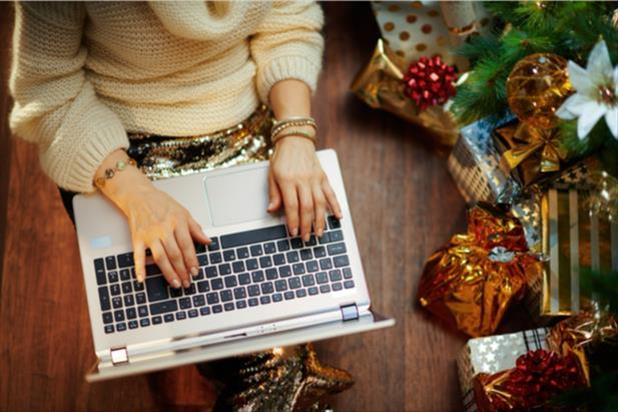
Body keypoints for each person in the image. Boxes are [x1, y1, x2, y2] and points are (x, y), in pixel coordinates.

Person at [9, 1, 342, 290]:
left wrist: (294, 132)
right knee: (183, 305)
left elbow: (289, 21)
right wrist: (139, 196)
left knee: (301, 286)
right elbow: (49, 91)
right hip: (119, 154)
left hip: (249, 124)